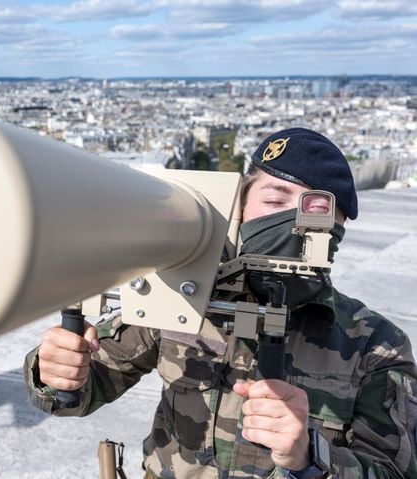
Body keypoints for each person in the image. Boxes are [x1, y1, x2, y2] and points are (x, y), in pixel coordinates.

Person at [23, 127, 417, 479]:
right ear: (241, 206)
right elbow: (82, 388)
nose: (289, 224)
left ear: (337, 228)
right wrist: (56, 372)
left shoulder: (375, 345)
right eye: (274, 200)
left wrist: (310, 457)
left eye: (310, 211)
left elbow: (394, 469)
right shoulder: (181, 296)